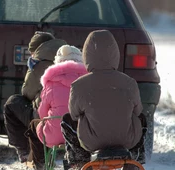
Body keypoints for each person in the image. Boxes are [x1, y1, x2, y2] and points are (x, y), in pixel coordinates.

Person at [60, 30, 145, 169]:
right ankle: (136, 157)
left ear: (87, 55)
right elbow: (138, 111)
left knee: (67, 120)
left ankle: (80, 160)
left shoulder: (79, 85)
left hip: (93, 142)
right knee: (142, 118)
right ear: (115, 54)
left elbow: (74, 114)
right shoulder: (129, 82)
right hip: (126, 140)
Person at [4, 31, 67, 163]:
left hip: (49, 122)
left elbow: (27, 92)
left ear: (36, 49)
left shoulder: (39, 62)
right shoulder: (71, 59)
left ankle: (24, 151)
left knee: (12, 104)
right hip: (73, 123)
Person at [25, 45, 88, 169]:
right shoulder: (87, 81)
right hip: (82, 134)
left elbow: (42, 113)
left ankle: (40, 163)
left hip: (56, 133)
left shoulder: (51, 83)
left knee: (34, 125)